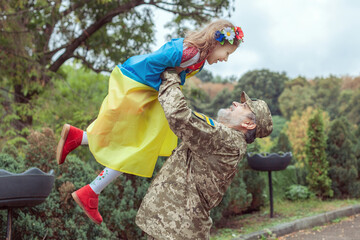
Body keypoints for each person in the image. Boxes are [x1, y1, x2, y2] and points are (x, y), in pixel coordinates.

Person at [56, 19, 244, 225]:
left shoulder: (196, 56)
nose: (225, 59)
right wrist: (159, 86)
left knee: (137, 144)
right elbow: (154, 62)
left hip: (146, 88)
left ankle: (78, 142)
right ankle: (90, 191)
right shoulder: (190, 53)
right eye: (227, 54)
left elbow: (169, 70)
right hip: (139, 86)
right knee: (137, 148)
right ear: (217, 42)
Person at [135, 69, 273, 239]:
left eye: (244, 106)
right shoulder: (228, 140)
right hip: (174, 228)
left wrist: (171, 74)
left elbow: (179, 115)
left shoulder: (226, 140)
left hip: (177, 230)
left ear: (248, 124)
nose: (236, 103)